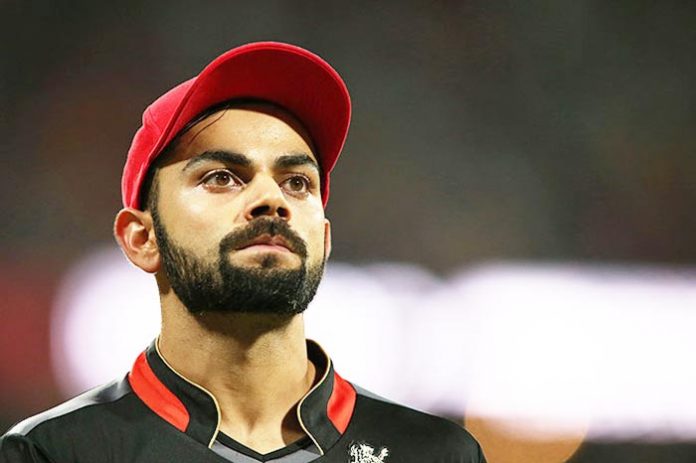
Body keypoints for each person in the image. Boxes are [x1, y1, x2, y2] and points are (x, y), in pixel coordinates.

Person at [0, 42, 486, 463]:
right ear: (142, 238)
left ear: (324, 241)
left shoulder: (435, 453)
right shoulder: (52, 452)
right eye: (222, 177)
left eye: (297, 182)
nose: (271, 199)